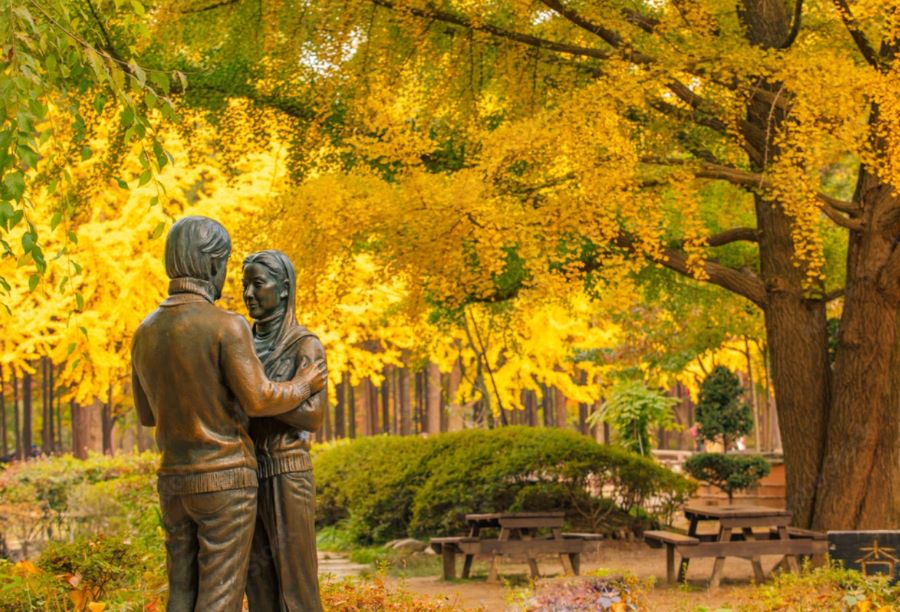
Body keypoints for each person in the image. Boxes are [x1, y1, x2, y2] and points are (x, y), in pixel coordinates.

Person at [131, 217, 327, 612]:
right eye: (228, 268)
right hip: (225, 480)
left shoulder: (144, 330)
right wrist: (303, 385)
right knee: (221, 597)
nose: (241, 289)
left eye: (259, 284)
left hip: (174, 481)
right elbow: (258, 399)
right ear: (211, 263)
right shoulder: (227, 326)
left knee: (182, 592)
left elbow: (147, 415)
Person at [242, 250, 324, 612]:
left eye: (258, 284)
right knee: (256, 581)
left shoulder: (304, 344)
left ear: (285, 288)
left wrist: (258, 397)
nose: (248, 293)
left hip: (288, 471)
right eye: (244, 284)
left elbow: (311, 416)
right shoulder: (238, 342)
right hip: (243, 473)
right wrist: (285, 392)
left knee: (296, 580)